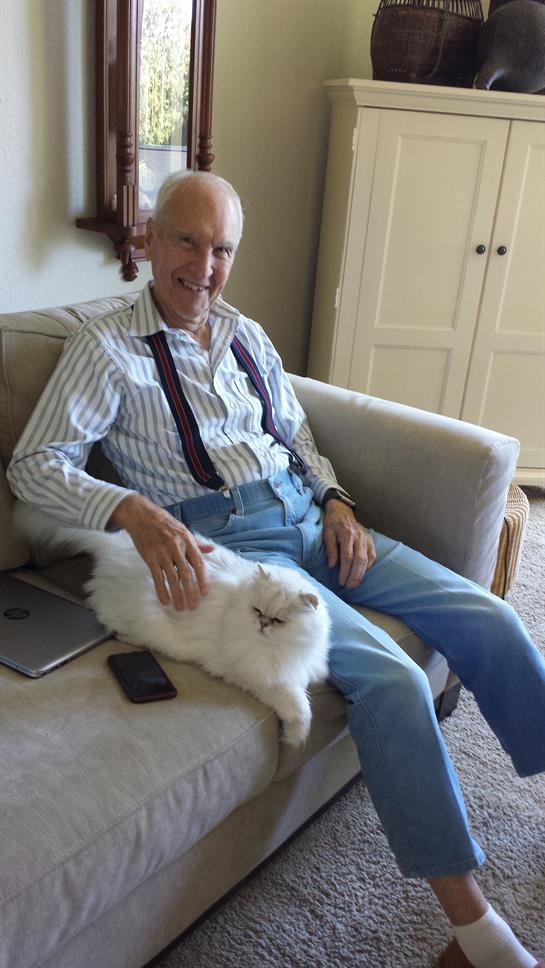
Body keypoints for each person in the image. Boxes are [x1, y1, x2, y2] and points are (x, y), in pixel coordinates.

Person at [7, 171, 545, 968]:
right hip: (232, 552)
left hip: (309, 519)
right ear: (150, 241)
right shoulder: (105, 348)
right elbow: (34, 466)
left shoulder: (247, 336)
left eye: (222, 248)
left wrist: (335, 499)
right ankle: (472, 935)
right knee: (392, 680)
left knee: (493, 617)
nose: (204, 265)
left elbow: (296, 438)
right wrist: (133, 511)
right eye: (187, 241)